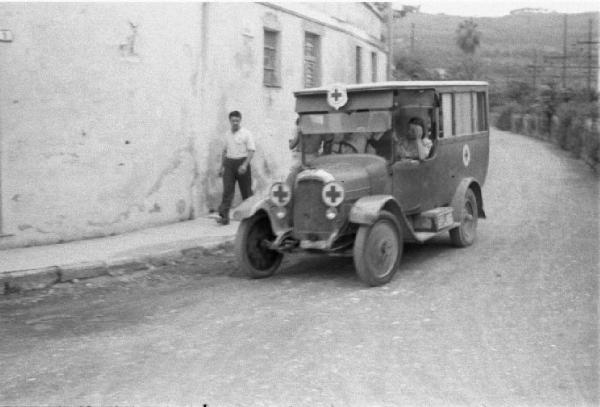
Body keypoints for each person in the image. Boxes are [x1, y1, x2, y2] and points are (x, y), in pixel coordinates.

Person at [217, 110, 255, 225]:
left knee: (246, 191)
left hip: (242, 162)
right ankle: (224, 217)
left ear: (240, 121)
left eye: (237, 121)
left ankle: (251, 217)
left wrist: (244, 164)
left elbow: (251, 150)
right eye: (233, 120)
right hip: (229, 163)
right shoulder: (227, 134)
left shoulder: (246, 133)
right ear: (230, 121)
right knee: (227, 190)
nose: (235, 123)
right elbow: (224, 151)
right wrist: (221, 167)